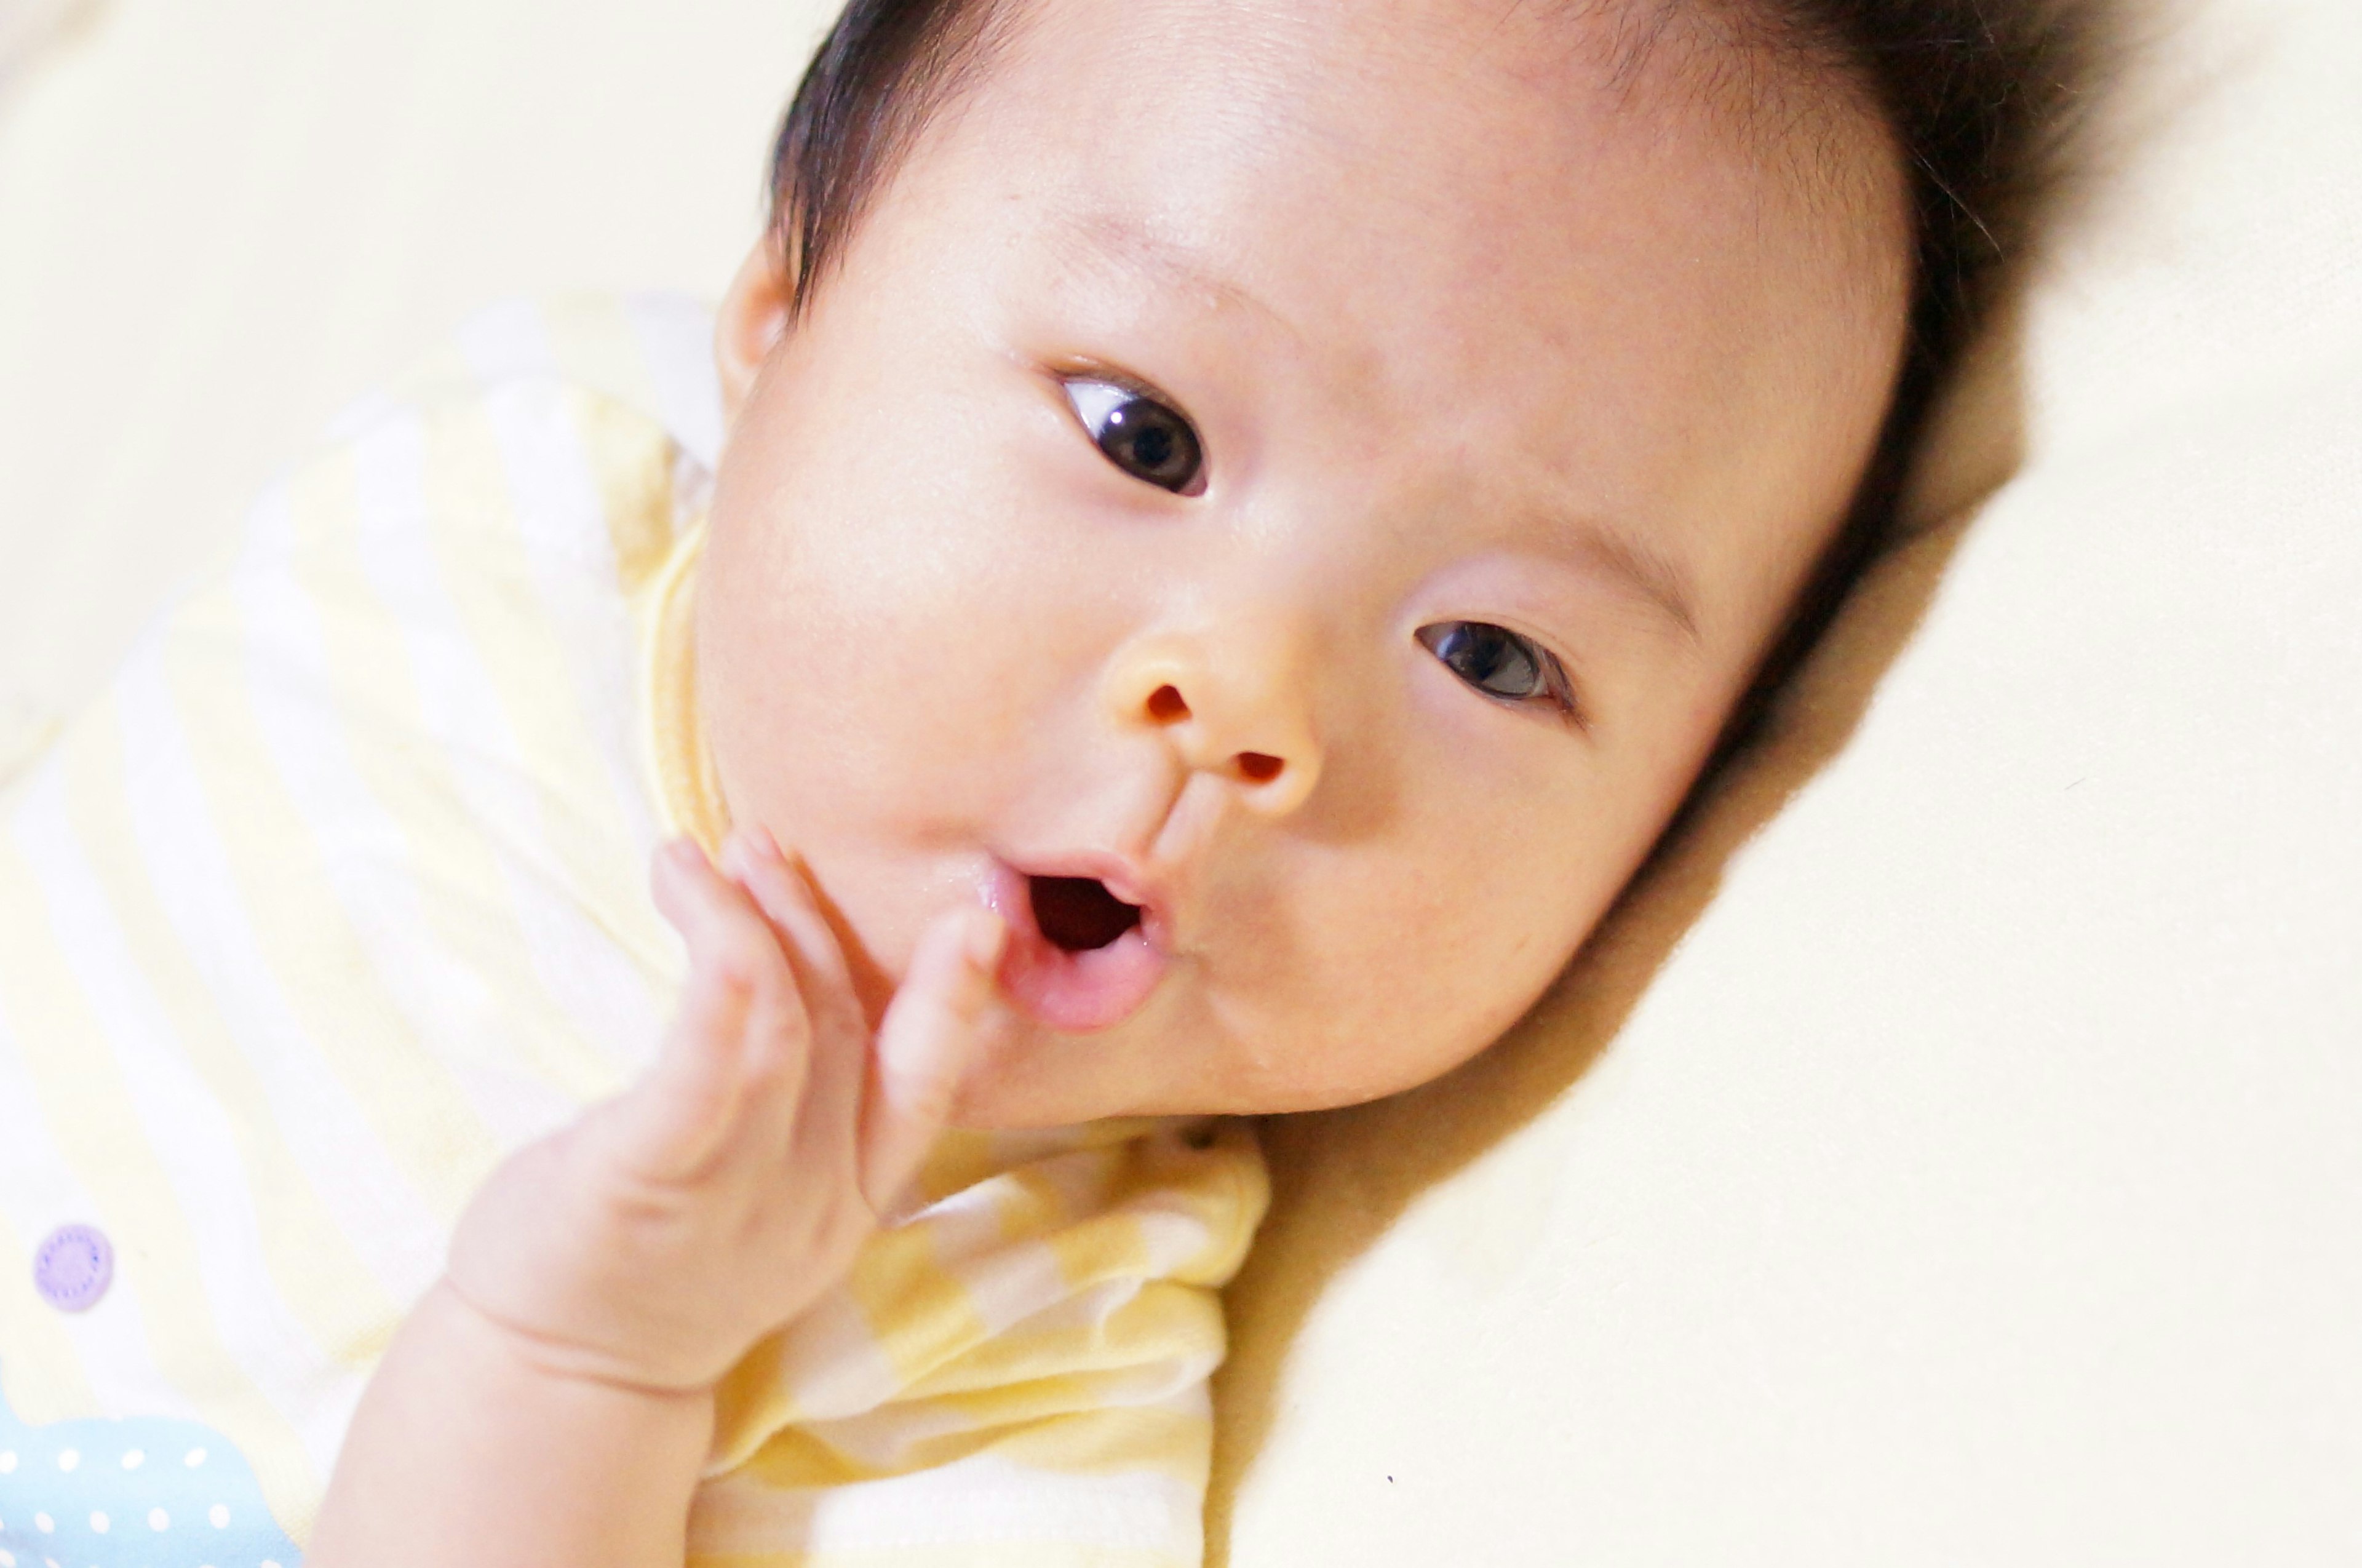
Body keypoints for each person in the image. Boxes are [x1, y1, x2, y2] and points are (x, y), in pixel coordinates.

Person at [0, 0, 2090, 1562]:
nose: (1245, 698)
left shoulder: (1046, 1343)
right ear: (782, 305)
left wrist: (583, 1367)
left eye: (1492, 653)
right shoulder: (494, 472)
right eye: (1144, 436)